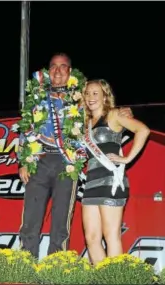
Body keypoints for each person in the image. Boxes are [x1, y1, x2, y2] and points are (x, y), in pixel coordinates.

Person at [17, 53, 133, 259]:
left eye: (63, 67)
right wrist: (23, 161)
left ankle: (57, 265)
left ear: (70, 71)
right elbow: (26, 127)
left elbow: (101, 105)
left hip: (67, 163)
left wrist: (123, 110)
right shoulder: (36, 94)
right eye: (53, 66)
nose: (58, 71)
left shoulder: (80, 94)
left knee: (62, 219)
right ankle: (26, 263)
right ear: (48, 70)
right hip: (38, 161)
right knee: (31, 218)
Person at [81, 79, 149, 265]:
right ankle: (105, 278)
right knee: (92, 238)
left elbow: (143, 130)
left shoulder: (113, 115)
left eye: (95, 93)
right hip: (91, 183)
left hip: (110, 181)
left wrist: (127, 159)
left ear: (105, 96)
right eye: (87, 93)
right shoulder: (84, 123)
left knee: (111, 236)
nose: (90, 97)